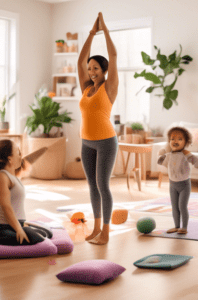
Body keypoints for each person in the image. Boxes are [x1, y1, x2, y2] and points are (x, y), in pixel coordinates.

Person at [78, 12, 119, 245]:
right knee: (92, 185)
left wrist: (104, 31)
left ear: (104, 70)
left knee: (103, 184)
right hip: (86, 142)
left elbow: (113, 55)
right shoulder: (86, 87)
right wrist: (91, 33)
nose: (91, 72)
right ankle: (95, 228)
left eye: (95, 68)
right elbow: (79, 61)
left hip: (105, 141)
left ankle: (106, 231)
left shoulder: (109, 86)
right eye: (90, 68)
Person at [0, 140, 48, 245]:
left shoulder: (14, 177)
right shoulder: (3, 176)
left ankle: (25, 228)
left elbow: (27, 161)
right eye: (18, 152)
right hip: (3, 227)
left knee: (46, 233)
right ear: (10, 159)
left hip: (17, 224)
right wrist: (19, 229)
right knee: (34, 236)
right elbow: (6, 206)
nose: (21, 155)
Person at [157, 126, 198, 234]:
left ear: (186, 142)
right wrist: (161, 154)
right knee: (174, 207)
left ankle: (184, 227)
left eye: (179, 139)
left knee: (182, 206)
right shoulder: (169, 155)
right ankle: (176, 226)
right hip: (172, 184)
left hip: (184, 185)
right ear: (169, 141)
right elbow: (159, 162)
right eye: (172, 139)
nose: (175, 141)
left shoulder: (185, 155)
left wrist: (190, 155)